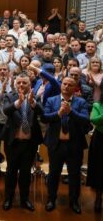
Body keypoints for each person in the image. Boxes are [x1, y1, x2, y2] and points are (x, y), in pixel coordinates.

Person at [43, 77, 91, 214]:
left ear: (75, 87)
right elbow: (45, 117)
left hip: (74, 145)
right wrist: (58, 113)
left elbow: (86, 121)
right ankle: (51, 199)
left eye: (70, 85)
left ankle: (74, 201)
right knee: (53, 174)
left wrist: (71, 112)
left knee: (74, 175)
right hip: (56, 145)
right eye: (64, 84)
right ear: (61, 85)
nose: (66, 87)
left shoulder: (81, 102)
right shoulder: (52, 100)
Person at [1, 73, 43, 211]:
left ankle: (25, 200)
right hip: (13, 142)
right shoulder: (9, 96)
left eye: (24, 83)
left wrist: (32, 103)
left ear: (29, 85)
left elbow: (41, 112)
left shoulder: (34, 97)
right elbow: (6, 111)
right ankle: (8, 199)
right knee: (11, 172)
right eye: (18, 83)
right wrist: (18, 103)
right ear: (14, 84)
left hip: (29, 144)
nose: (21, 85)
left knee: (26, 173)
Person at [88, 81, 103, 213]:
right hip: (100, 140)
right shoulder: (98, 104)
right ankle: (98, 197)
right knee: (99, 168)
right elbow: (95, 120)